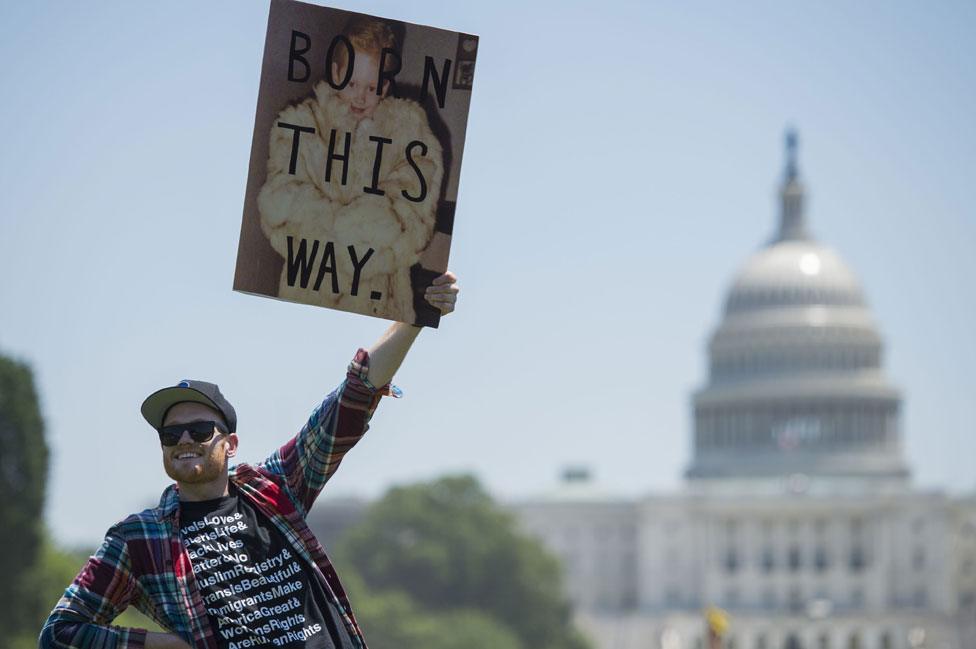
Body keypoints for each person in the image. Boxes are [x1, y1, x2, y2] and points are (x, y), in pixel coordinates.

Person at [38, 272, 460, 649]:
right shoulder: (139, 539)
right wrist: (159, 644)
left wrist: (415, 317)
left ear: (231, 444)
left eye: (201, 431)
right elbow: (60, 633)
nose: (184, 440)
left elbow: (350, 400)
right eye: (170, 434)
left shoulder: (274, 488)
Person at [258, 16, 444, 325]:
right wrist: (360, 231)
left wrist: (332, 227)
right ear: (335, 72)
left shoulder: (409, 132)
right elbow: (279, 209)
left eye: (372, 87)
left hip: (377, 304)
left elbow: (414, 219)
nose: (360, 96)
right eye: (352, 82)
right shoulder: (301, 126)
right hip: (307, 296)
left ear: (385, 85)